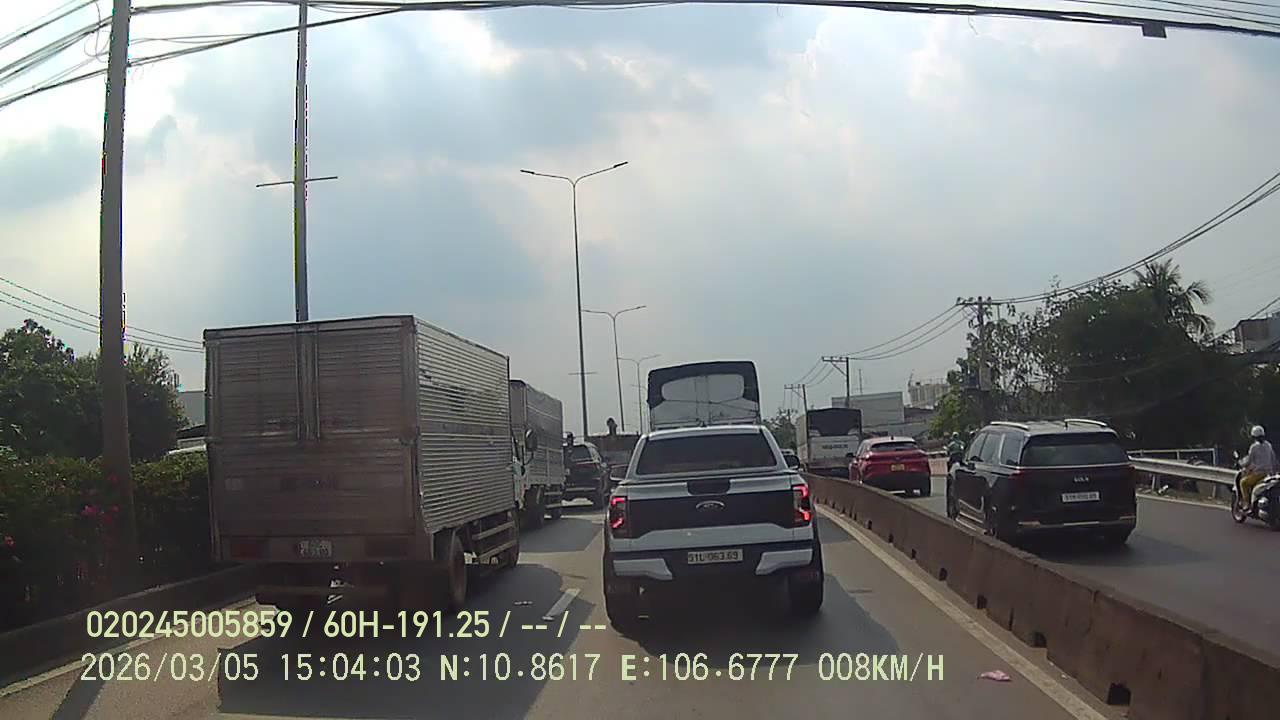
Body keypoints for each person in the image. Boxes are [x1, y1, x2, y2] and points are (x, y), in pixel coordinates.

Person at [1238, 425, 1279, 511]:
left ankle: (1246, 503)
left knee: (1243, 483)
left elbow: (1249, 461)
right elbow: (1273, 459)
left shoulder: (1254, 447)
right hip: (1269, 474)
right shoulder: (1268, 445)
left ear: (1253, 437)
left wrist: (1241, 463)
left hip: (1259, 474)